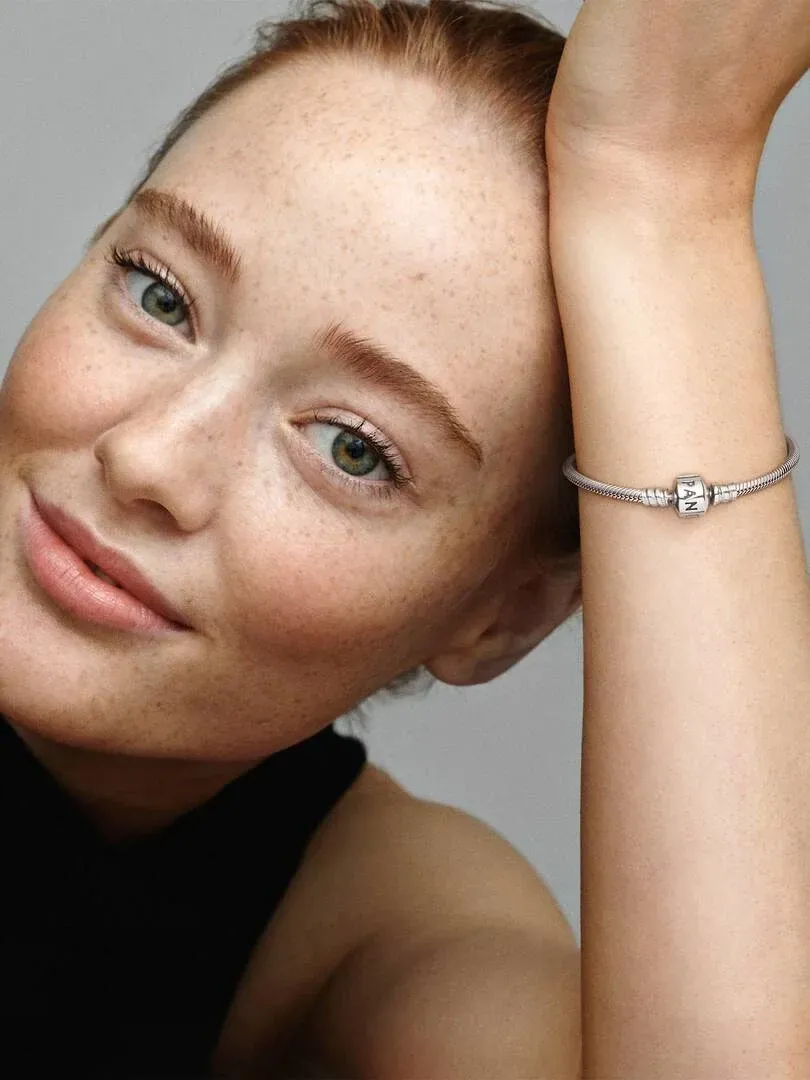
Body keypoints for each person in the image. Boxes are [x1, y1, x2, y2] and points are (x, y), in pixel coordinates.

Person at [0, 1, 584, 1076]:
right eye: (160, 295)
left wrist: (679, 191)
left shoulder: (400, 940)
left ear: (504, 618)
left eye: (352, 450)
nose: (149, 459)